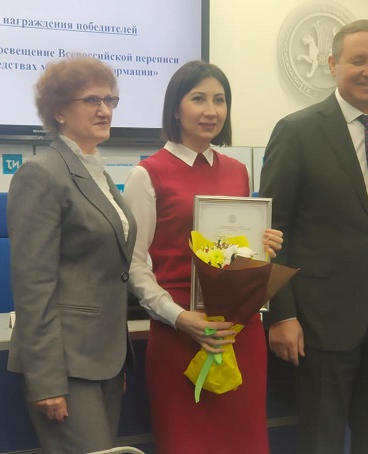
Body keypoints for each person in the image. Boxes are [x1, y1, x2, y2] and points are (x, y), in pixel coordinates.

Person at [259, 20, 368, 453]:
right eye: (358, 60)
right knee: (322, 442)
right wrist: (282, 315)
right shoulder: (297, 131)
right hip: (320, 322)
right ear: (333, 65)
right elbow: (273, 231)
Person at [123, 60, 283, 454]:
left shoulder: (238, 171)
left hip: (239, 331)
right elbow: (135, 265)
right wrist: (180, 318)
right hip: (180, 332)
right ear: (176, 109)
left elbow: (238, 254)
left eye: (219, 100)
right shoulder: (147, 174)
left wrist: (264, 246)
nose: (211, 110)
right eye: (198, 99)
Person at [7, 57, 137, 454]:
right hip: (64, 365)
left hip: (104, 361)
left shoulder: (97, 172)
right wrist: (46, 380)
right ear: (59, 111)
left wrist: (115, 358)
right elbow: (34, 288)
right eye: (91, 100)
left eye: (110, 100)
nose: (104, 110)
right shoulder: (42, 173)